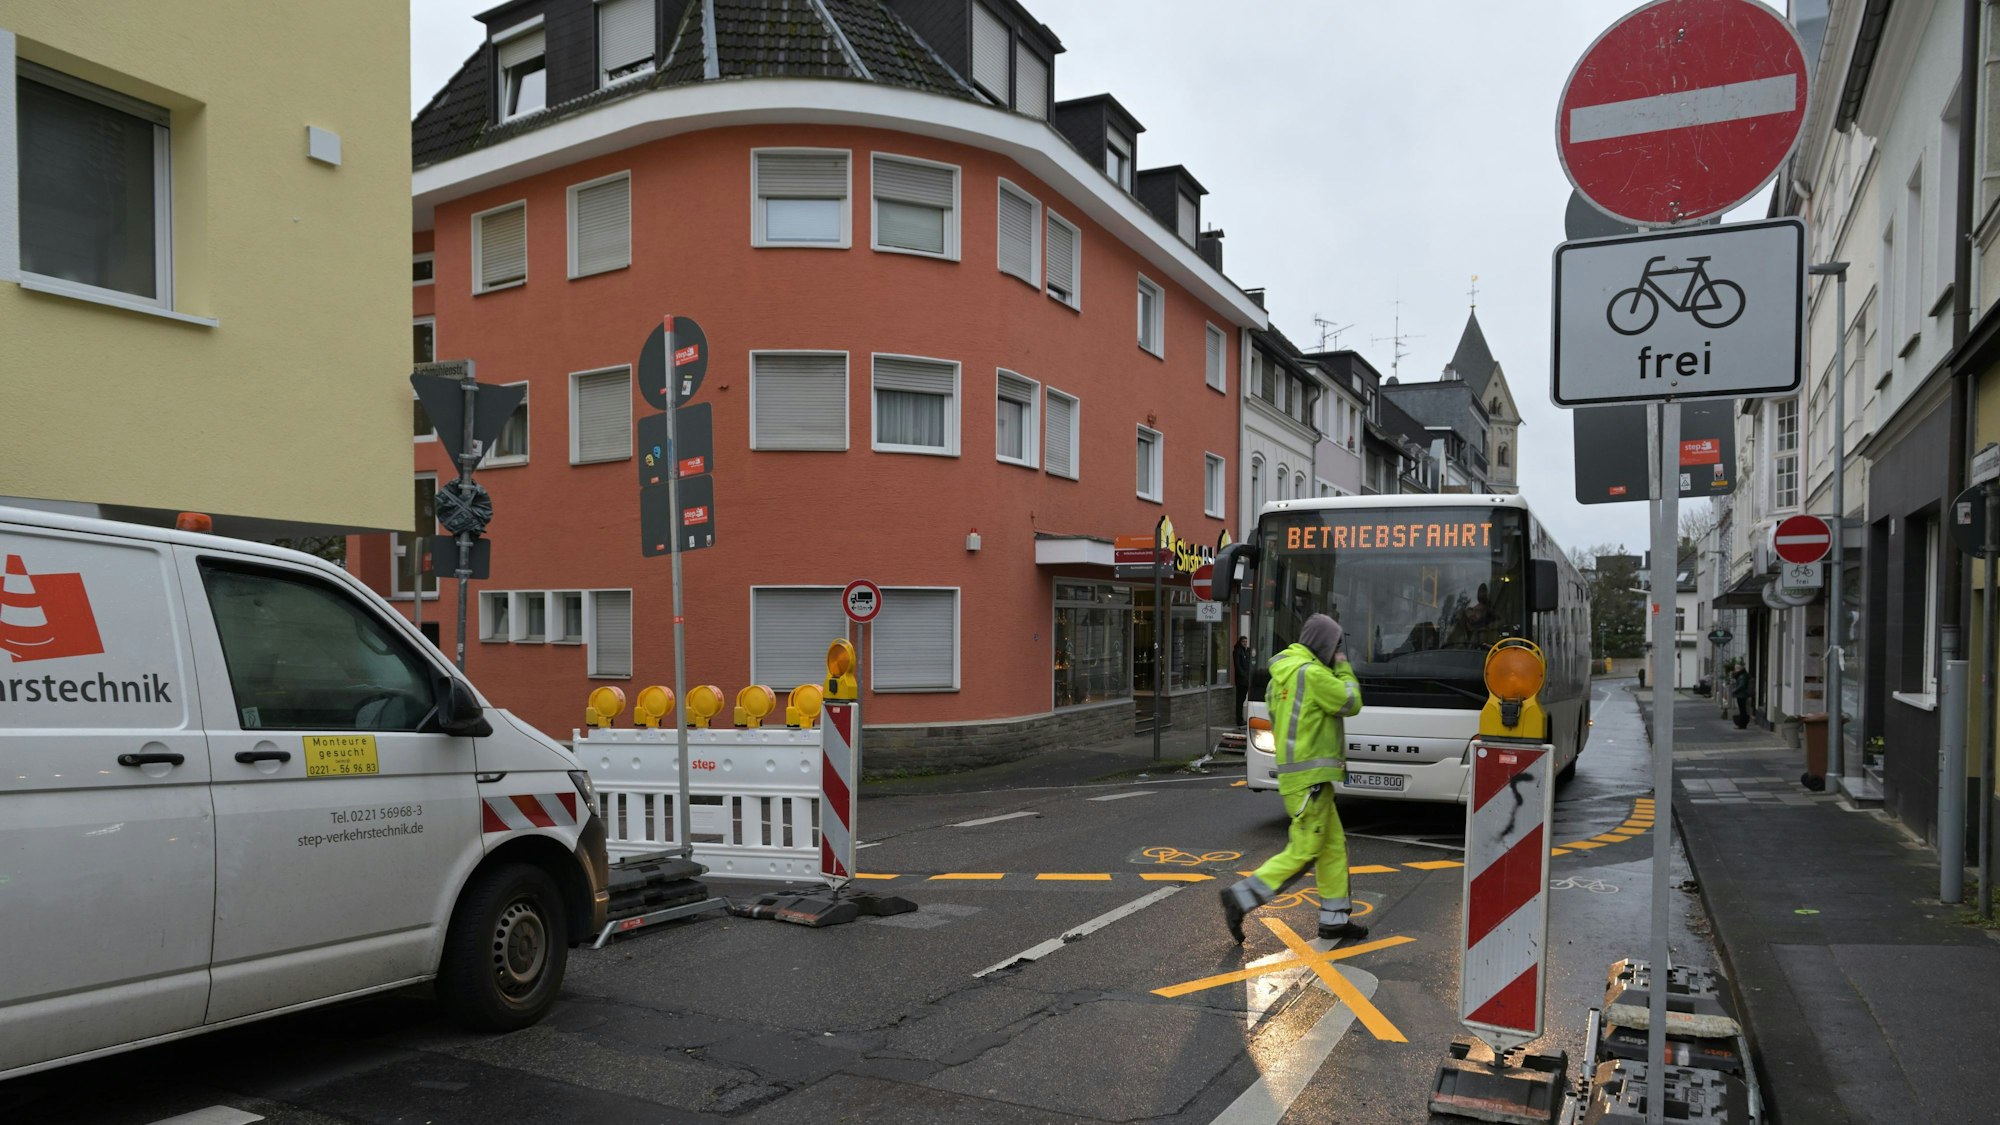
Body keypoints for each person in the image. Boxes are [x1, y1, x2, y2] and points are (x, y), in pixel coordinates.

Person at [1221, 613, 1367, 943]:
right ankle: (1240, 898)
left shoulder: (1280, 678)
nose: (1336, 652)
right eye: (1334, 646)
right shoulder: (1313, 675)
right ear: (1324, 645)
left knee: (1332, 848)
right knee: (1303, 852)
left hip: (1303, 779)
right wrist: (1342, 667)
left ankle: (1334, 919)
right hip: (1310, 781)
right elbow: (1350, 701)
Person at [1232, 635, 1252, 725]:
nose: (1245, 643)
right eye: (1244, 642)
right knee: (1240, 700)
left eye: (1246, 642)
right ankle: (1239, 720)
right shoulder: (1238, 651)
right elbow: (1238, 666)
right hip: (1241, 680)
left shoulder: (1246, 651)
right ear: (1240, 642)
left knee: (1243, 698)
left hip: (1245, 680)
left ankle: (1240, 719)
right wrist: (1243, 675)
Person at [1730, 664, 1752, 729]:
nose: (1735, 670)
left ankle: (1742, 724)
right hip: (1742, 694)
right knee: (1743, 710)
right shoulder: (1743, 675)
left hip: (1741, 695)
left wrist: (1734, 691)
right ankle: (1742, 724)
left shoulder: (1742, 676)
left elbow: (1741, 685)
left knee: (1742, 710)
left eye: (1735, 669)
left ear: (1738, 669)